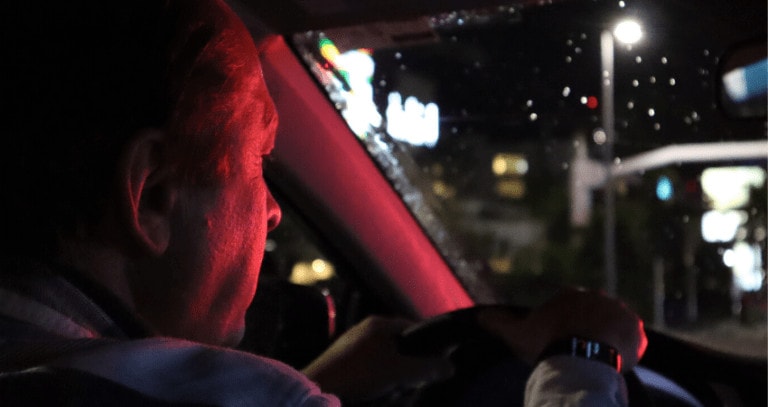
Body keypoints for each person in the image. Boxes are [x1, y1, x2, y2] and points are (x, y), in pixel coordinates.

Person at [0, 0, 646, 405]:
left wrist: (327, 381)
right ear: (156, 195)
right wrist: (581, 362)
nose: (274, 210)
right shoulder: (250, 395)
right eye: (259, 161)